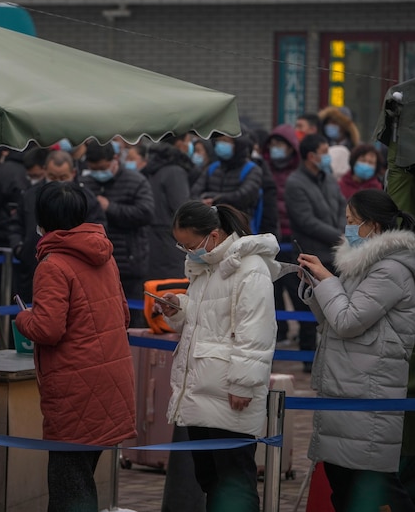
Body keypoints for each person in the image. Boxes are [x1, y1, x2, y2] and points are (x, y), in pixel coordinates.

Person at [14, 181, 136, 512]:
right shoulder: (104, 254)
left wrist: (22, 318)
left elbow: (47, 328)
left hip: (75, 389)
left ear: (43, 220)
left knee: (70, 485)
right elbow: (123, 314)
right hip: (110, 383)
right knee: (81, 477)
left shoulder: (53, 264)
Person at [297, 189, 415, 512]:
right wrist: (315, 287)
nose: (347, 228)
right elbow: (332, 322)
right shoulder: (362, 264)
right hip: (346, 387)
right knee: (345, 488)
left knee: (376, 490)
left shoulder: (390, 269)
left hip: (368, 393)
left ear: (373, 227)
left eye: (353, 222)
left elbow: (348, 321)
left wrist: (326, 280)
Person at [158, 201, 279, 512]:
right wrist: (180, 307)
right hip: (202, 387)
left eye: (189, 244)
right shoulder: (207, 265)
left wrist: (243, 383)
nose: (186, 251)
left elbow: (257, 329)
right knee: (211, 479)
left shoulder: (250, 268)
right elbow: (209, 316)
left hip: (228, 390)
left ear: (212, 236)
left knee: (235, 482)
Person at [7, 150, 106, 301]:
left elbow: (98, 229)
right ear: (45, 170)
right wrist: (19, 248)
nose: (58, 182)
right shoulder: (30, 195)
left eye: (63, 178)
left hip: (72, 272)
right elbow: (15, 225)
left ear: (73, 173)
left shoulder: (85, 198)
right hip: (30, 270)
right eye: (53, 177)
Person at [284, 133, 346, 371]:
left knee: (336, 310)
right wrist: (339, 235)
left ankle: (333, 362)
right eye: (324, 151)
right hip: (311, 256)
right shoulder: (295, 182)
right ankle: (310, 364)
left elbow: (342, 204)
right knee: (309, 313)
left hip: (336, 255)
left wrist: (342, 230)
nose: (327, 156)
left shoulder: (328, 178)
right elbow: (306, 221)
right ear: (311, 156)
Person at [79, 141, 154, 326]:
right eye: (93, 168)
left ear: (114, 159)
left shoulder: (136, 181)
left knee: (130, 319)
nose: (98, 172)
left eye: (102, 168)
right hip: (94, 263)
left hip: (128, 263)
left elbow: (146, 213)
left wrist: (110, 208)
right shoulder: (85, 183)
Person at [263, 123, 310, 342]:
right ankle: (280, 332)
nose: (275, 148)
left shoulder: (298, 172)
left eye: (280, 144)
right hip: (271, 238)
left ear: (291, 147)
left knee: (294, 288)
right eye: (272, 144)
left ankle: (303, 334)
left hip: (292, 238)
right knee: (272, 290)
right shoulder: (264, 168)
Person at [141, 134, 197, 279]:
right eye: (188, 141)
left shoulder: (152, 169)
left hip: (152, 244)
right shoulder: (174, 171)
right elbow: (183, 209)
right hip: (170, 244)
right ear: (179, 144)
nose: (191, 145)